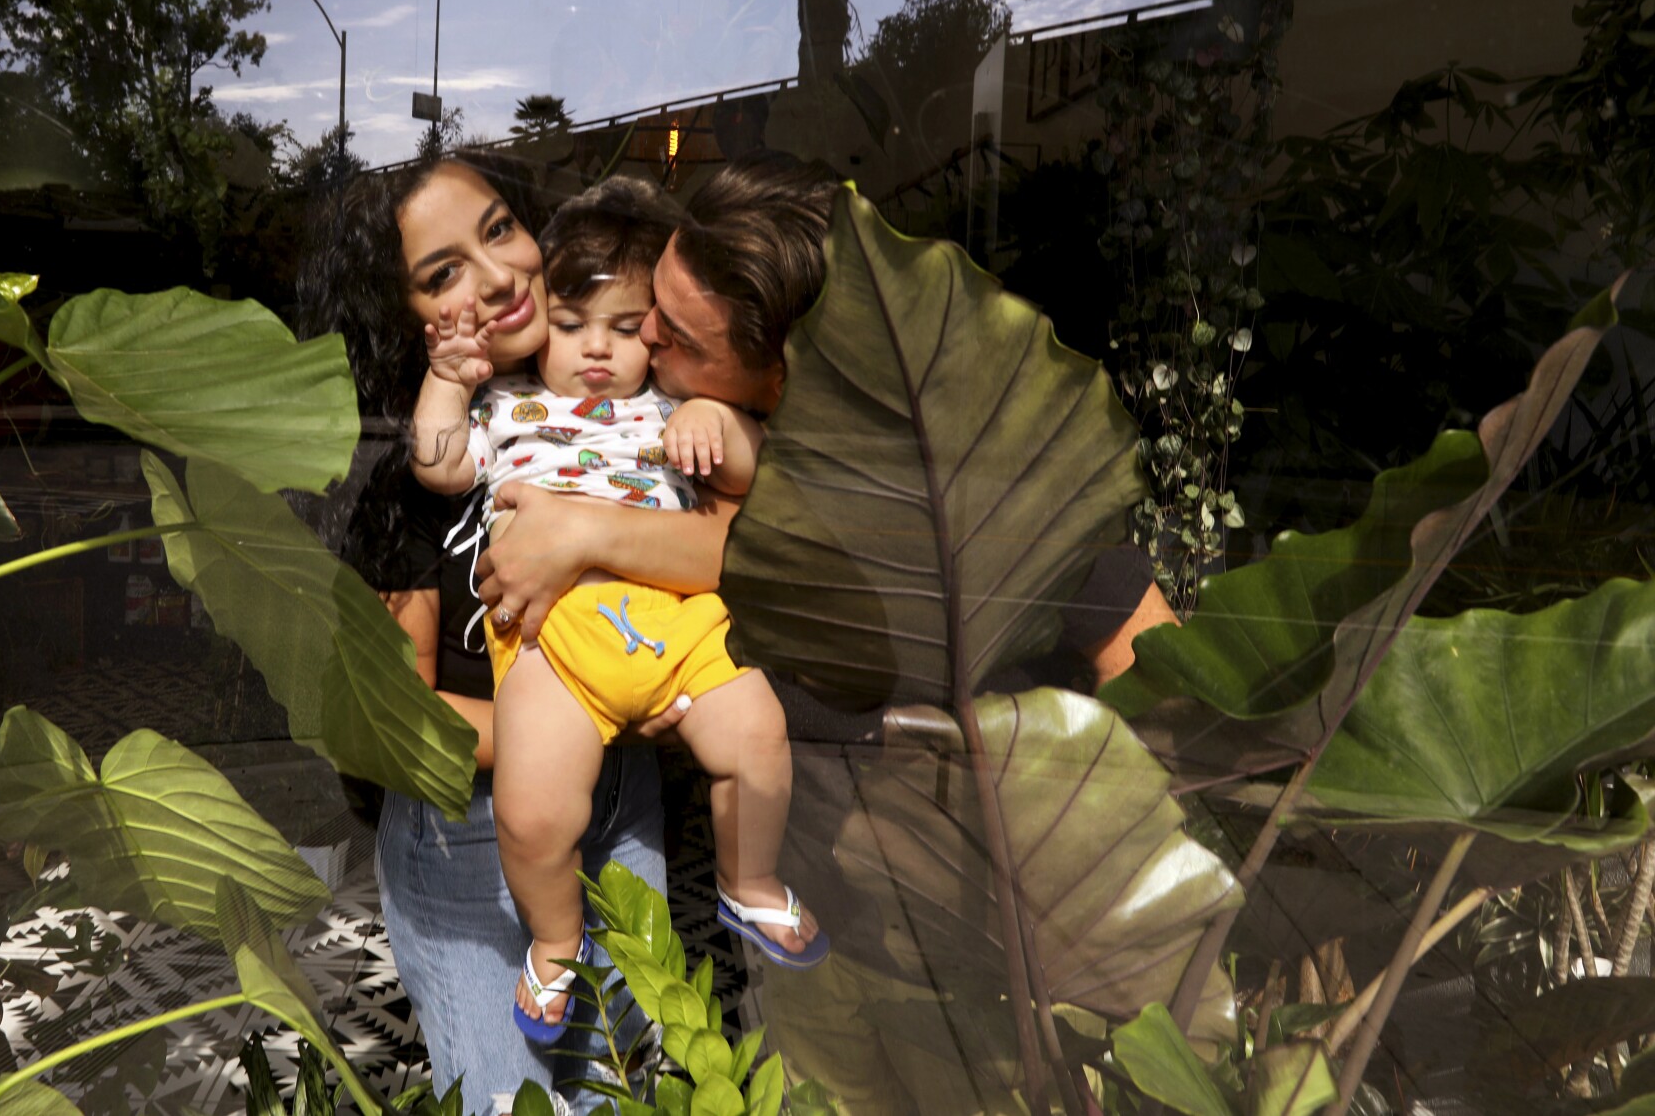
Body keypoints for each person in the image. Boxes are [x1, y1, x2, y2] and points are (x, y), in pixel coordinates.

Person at [474, 153, 1183, 1115]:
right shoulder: (689, 436)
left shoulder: (959, 481)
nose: (640, 337)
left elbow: (1165, 684)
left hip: (983, 961)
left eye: (675, 334)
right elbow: (742, 549)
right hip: (811, 934)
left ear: (782, 371)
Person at [298, 153, 732, 1115]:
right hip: (475, 829)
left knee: (625, 1082)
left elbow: (729, 551)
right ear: (402, 316)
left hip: (624, 802)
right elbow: (394, 717)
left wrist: (589, 533)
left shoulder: (622, 408)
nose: (494, 276)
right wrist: (575, 723)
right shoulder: (408, 480)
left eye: (500, 230)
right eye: (441, 272)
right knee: (517, 1101)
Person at [406, 179, 826, 1043]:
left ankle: (749, 882)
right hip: (556, 643)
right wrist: (445, 384)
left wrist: (721, 421)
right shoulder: (509, 405)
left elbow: (755, 474)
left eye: (628, 329)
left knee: (757, 738)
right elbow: (441, 466)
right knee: (531, 810)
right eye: (571, 325)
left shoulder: (671, 406)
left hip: (676, 630)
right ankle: (555, 942)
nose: (598, 349)